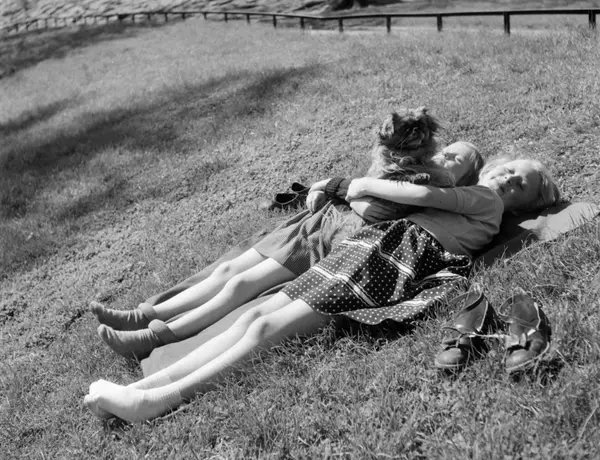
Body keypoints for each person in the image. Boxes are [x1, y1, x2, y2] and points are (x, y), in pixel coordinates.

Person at [84, 153, 559, 422]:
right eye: (510, 169)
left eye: (521, 185)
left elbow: (419, 194)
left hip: (391, 256)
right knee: (256, 317)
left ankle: (152, 402)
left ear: (520, 205)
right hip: (374, 248)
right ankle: (142, 390)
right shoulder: (474, 195)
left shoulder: (484, 200)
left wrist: (348, 184)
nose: (509, 179)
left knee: (265, 328)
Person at [90, 141, 484, 360]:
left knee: (239, 286)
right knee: (227, 272)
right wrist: (329, 186)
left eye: (457, 161)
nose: (445, 157)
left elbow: (367, 205)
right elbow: (350, 185)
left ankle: (156, 336)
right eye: (447, 150)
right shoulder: (405, 171)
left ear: (463, 180)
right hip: (315, 223)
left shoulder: (432, 195)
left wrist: (341, 188)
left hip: (332, 241)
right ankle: (143, 315)